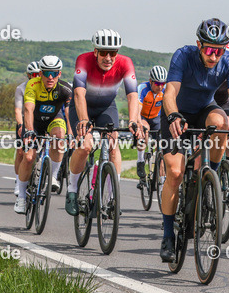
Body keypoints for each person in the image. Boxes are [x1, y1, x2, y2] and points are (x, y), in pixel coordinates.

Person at [159, 18, 229, 262]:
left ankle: (212, 172)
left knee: (223, 123)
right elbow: (170, 93)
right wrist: (173, 116)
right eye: (209, 50)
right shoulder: (183, 56)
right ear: (199, 45)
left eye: (219, 50)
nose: (214, 56)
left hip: (203, 110)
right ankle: (168, 235)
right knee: (175, 173)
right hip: (176, 111)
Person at [66, 31, 140, 214]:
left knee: (113, 143)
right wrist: (83, 119)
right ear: (95, 51)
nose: (108, 58)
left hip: (107, 107)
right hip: (83, 106)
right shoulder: (83, 60)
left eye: (113, 53)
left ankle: (113, 196)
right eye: (104, 52)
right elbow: (79, 94)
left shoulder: (125, 63)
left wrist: (132, 120)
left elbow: (132, 95)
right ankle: (72, 191)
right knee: (85, 146)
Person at [17, 55, 73, 213]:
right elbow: (28, 109)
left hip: (53, 120)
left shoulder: (65, 88)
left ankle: (53, 177)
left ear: (59, 74)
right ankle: (21, 197)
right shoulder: (32, 85)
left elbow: (69, 113)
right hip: (34, 122)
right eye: (47, 72)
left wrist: (71, 132)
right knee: (28, 158)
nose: (50, 77)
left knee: (59, 138)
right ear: (40, 73)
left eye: (54, 73)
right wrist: (29, 131)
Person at [136, 65, 167, 185]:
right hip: (143, 117)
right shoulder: (143, 88)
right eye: (157, 83)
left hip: (156, 118)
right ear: (150, 81)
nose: (160, 87)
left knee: (163, 148)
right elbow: (137, 110)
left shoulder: (165, 90)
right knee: (145, 130)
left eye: (162, 84)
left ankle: (163, 181)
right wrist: (139, 123)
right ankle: (140, 161)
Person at [13, 61, 41, 184]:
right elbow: (18, 110)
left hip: (39, 121)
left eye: (38, 74)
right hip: (25, 121)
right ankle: (19, 179)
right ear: (28, 75)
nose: (36, 77)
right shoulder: (21, 88)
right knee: (21, 151)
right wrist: (20, 124)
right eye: (33, 75)